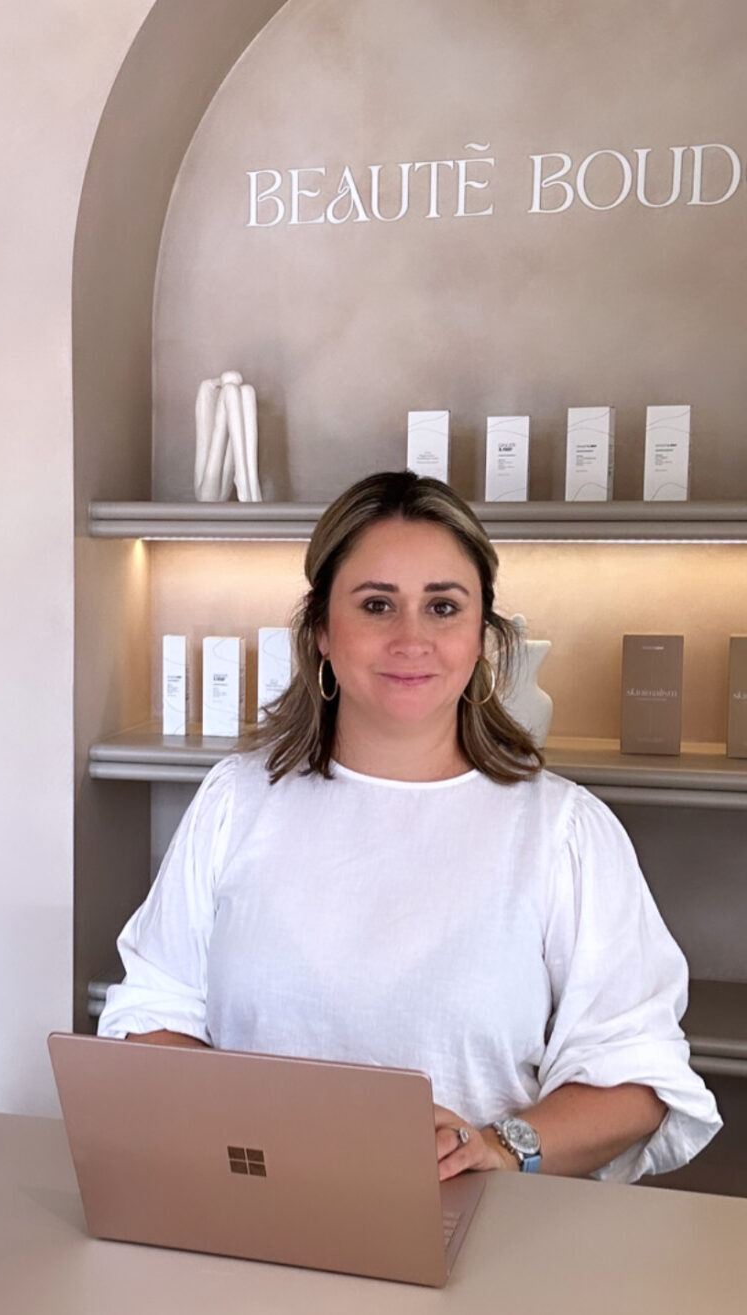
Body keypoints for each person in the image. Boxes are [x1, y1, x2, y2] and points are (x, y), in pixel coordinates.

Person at [97, 471, 721, 1183]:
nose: (411, 638)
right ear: (323, 632)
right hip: (252, 1217)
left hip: (481, 1236)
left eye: (443, 606)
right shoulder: (236, 801)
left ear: (483, 637)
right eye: (376, 604)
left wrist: (498, 1144)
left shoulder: (564, 832)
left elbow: (636, 1074)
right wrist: (245, 1141)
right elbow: (153, 1008)